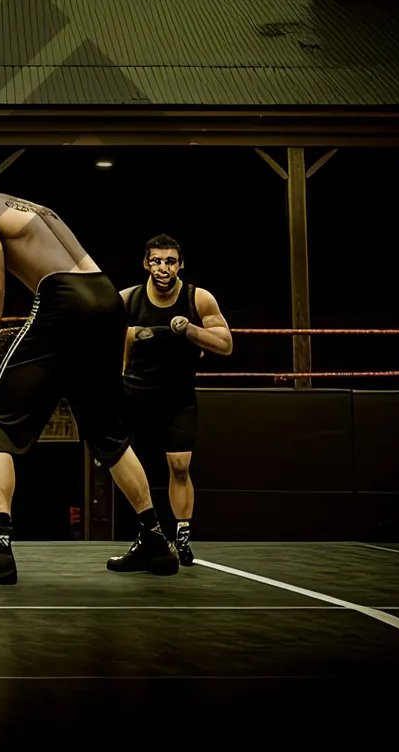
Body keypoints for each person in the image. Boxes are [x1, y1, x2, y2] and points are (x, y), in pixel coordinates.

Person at [0, 155, 179, 584]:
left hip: (62, 301)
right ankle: (155, 539)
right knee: (106, 432)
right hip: (107, 300)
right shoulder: (31, 207)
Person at [120, 236, 232, 566]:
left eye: (170, 261)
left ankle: (181, 535)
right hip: (135, 395)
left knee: (180, 466)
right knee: (132, 468)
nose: (163, 268)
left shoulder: (198, 298)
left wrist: (191, 331)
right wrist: (129, 337)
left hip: (177, 396)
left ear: (180, 263)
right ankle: (147, 535)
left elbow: (225, 344)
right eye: (156, 261)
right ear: (146, 264)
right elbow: (99, 335)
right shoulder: (129, 299)